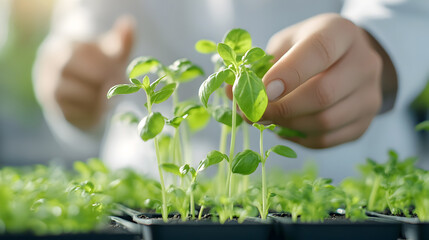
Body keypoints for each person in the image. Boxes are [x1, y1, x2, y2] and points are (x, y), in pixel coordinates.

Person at [33, 0, 429, 181]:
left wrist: (382, 44)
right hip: (151, 181)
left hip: (347, 173)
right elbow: (81, 23)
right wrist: (71, 73)